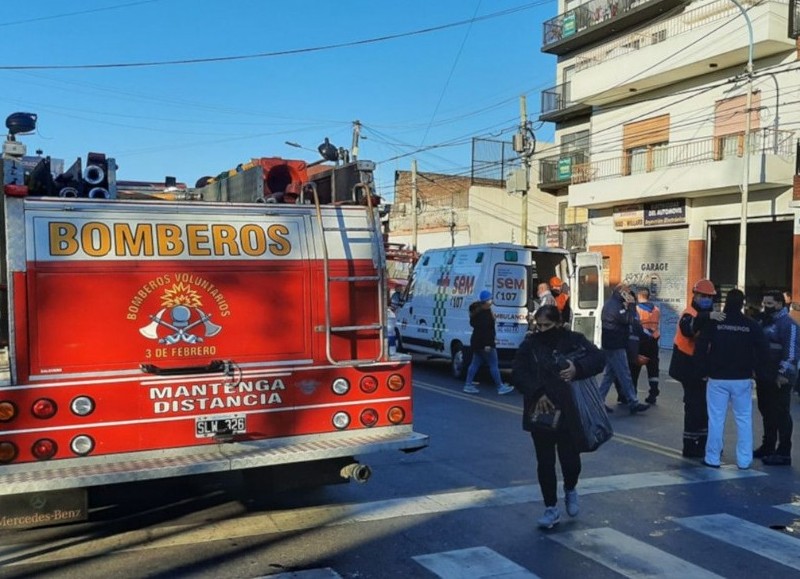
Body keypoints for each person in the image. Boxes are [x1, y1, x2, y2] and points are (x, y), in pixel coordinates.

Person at [512, 305, 606, 529]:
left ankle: (570, 488)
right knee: (545, 462)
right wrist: (536, 392)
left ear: (559, 323)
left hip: (569, 410)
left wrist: (577, 368)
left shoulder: (574, 339)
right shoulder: (530, 345)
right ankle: (550, 508)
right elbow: (518, 372)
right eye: (539, 325)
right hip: (541, 411)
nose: (543, 330)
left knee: (570, 460)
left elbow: (598, 358)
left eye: (548, 325)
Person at [695, 289, 768, 469]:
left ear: (726, 302)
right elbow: (763, 348)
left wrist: (702, 370)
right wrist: (756, 370)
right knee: (743, 419)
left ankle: (712, 458)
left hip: (717, 378)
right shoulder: (750, 324)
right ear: (742, 303)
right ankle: (744, 460)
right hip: (742, 378)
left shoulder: (716, 322)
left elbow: (701, 347)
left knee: (716, 419)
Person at [668, 278, 723, 458]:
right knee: (695, 406)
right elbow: (688, 330)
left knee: (703, 407)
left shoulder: (708, 313)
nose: (707, 299)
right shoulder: (690, 313)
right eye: (703, 296)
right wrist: (707, 317)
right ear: (696, 295)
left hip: (700, 367)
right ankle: (691, 446)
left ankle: (703, 443)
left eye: (709, 296)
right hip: (687, 366)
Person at [754, 290, 798, 466]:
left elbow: (792, 353)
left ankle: (784, 451)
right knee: (766, 411)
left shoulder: (789, 324)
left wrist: (783, 373)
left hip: (780, 378)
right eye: (764, 304)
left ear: (780, 304)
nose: (766, 307)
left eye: (770, 304)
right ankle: (768, 445)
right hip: (764, 375)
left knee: (781, 413)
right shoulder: (765, 321)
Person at [598, 284, 650, 414]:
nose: (629, 295)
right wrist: (632, 306)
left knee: (610, 375)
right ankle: (633, 402)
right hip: (615, 345)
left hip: (612, 344)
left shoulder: (613, 303)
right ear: (621, 293)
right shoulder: (615, 306)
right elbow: (629, 319)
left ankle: (598, 400)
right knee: (624, 374)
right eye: (627, 292)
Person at [463, 290, 514, 396]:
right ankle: (500, 386)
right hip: (486, 344)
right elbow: (486, 331)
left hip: (476, 342)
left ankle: (468, 384)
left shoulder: (476, 312)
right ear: (486, 301)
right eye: (490, 299)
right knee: (493, 364)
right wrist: (488, 344)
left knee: (475, 363)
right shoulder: (485, 314)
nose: (491, 301)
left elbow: (478, 328)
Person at [633, 287, 661, 405]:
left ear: (639, 296)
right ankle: (653, 393)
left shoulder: (636, 309)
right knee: (653, 368)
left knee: (635, 368)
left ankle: (632, 393)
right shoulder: (656, 309)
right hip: (654, 340)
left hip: (641, 341)